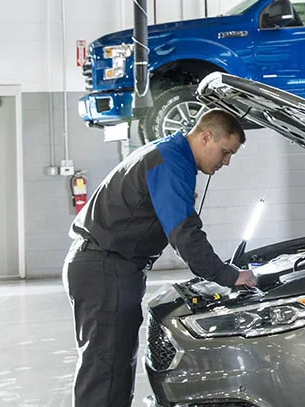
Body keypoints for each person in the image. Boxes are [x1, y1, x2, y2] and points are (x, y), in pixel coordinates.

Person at [64, 108, 257, 406]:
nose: (226, 162)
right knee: (106, 370)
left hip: (108, 266)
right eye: (225, 152)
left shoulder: (169, 152)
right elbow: (185, 233)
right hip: (105, 267)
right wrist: (229, 275)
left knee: (112, 364)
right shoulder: (170, 162)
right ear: (206, 136)